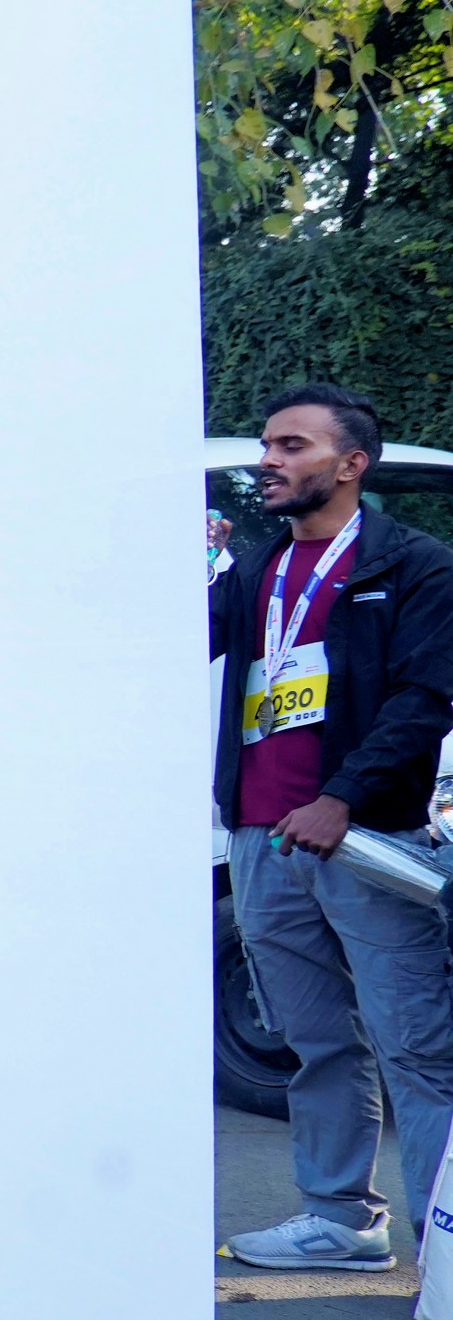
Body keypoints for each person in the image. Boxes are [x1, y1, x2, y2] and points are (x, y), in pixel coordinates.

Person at [211, 384, 453, 1272]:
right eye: (267, 445)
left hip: (365, 840)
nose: (267, 460)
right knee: (314, 1043)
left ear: (351, 464)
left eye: (291, 446)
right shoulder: (255, 571)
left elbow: (424, 700)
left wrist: (342, 797)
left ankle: (445, 1252)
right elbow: (163, 644)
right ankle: (341, 1220)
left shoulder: (415, 566)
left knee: (418, 1048)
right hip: (261, 839)